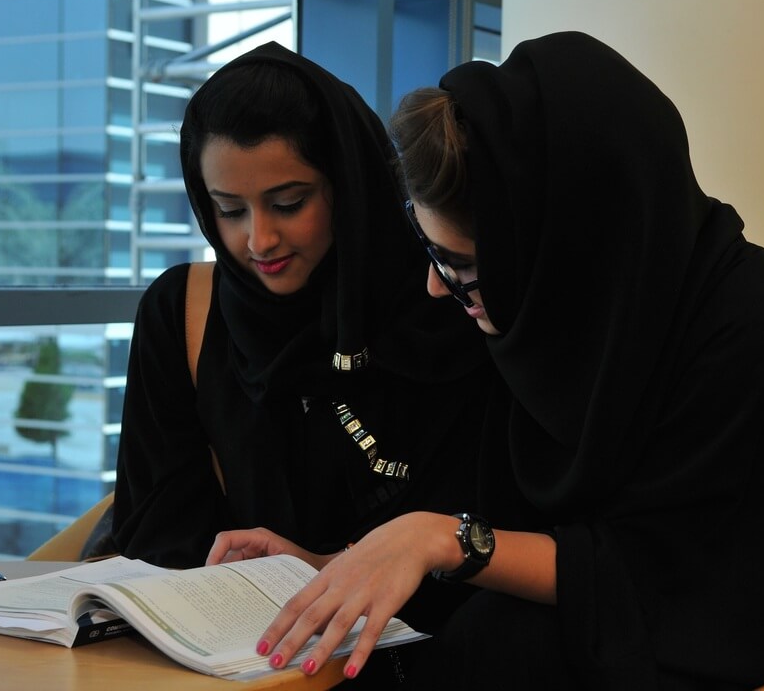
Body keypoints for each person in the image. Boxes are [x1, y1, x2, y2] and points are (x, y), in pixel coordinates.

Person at [216, 31, 764, 688]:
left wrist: (446, 539)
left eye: (460, 265)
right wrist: (336, 571)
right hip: (634, 622)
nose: (435, 286)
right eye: (430, 252)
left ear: (563, 247)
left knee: (502, 647)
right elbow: (521, 543)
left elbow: (689, 583)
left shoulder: (752, 332)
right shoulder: (559, 328)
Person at [111, 41, 493, 686]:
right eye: (228, 210)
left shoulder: (448, 306)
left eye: (289, 203)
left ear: (347, 184)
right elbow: (156, 537)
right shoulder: (184, 313)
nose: (259, 240)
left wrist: (324, 568)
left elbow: (482, 536)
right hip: (240, 666)